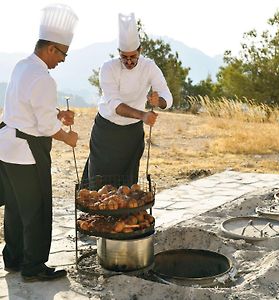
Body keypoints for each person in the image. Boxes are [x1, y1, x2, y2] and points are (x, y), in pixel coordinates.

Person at [0, 4, 78, 282]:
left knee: (15, 205)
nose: (63, 60)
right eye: (63, 54)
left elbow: (28, 109)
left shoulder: (23, 66)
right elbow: (45, 127)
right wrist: (67, 135)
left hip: (6, 145)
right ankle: (33, 268)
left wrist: (58, 115)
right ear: (51, 49)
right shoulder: (44, 78)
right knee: (36, 210)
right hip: (26, 152)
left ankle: (14, 258)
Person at [82, 13, 173, 187]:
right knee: (99, 183)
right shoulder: (108, 68)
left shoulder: (150, 67)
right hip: (106, 131)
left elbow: (168, 98)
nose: (129, 61)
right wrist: (143, 115)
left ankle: (125, 215)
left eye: (133, 57)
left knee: (128, 183)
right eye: (125, 57)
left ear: (140, 51)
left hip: (132, 133)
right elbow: (115, 104)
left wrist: (158, 100)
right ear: (119, 53)